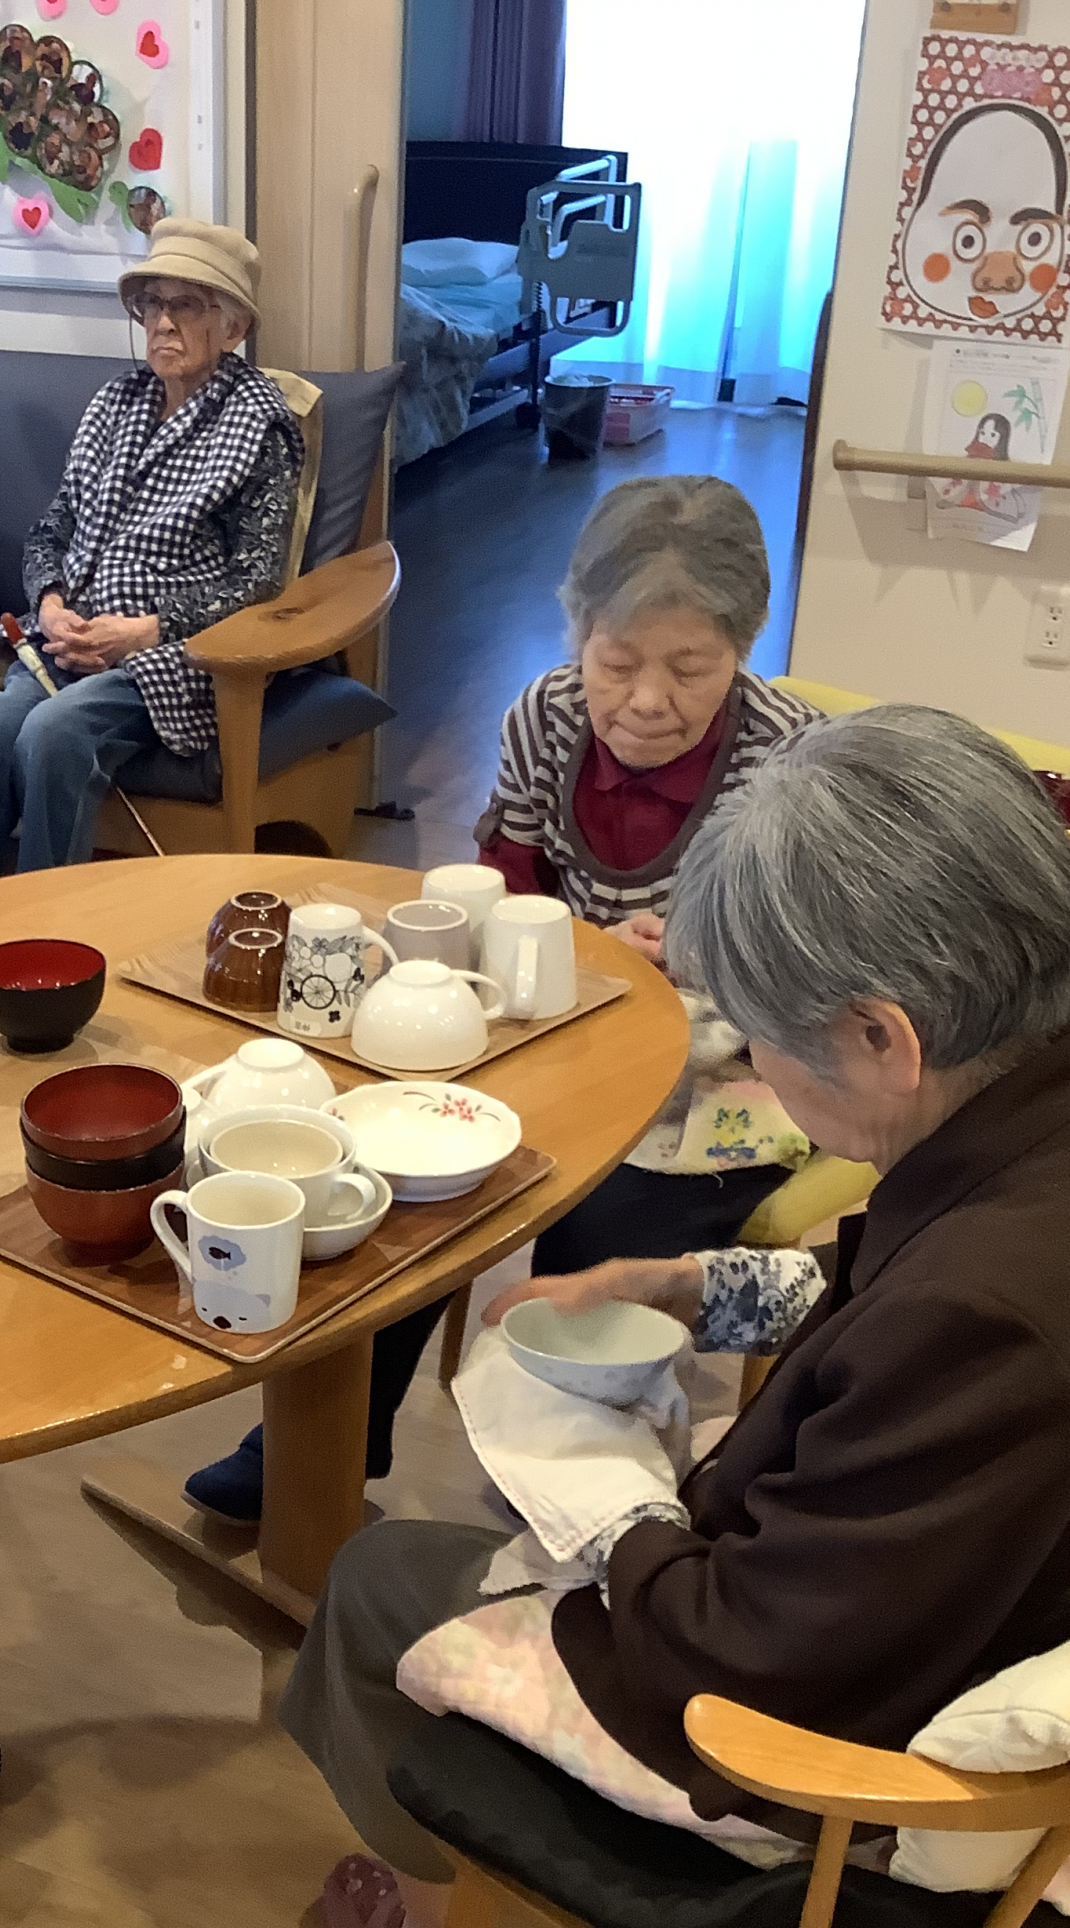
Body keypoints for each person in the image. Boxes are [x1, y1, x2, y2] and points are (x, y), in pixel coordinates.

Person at [278, 704, 1070, 1928]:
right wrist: (684, 1286)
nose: (761, 1072)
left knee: (377, 1583)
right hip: (961, 1607)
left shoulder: (986, 1329)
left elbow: (742, 1663)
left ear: (883, 1039)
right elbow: (889, 1288)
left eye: (760, 1037)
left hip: (842, 1806)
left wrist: (612, 1503)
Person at [185, 473, 817, 1526]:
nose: (645, 699)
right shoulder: (547, 714)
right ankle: (323, 1445)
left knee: (595, 1226)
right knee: (415, 1174)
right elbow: (506, 884)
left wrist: (703, 949)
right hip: (563, 1023)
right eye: (617, 662)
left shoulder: (787, 755)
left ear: (744, 647)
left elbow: (816, 965)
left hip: (727, 1066)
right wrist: (548, 947)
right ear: (578, 631)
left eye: (690, 668)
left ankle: (578, 1495)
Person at [0, 216, 304, 888]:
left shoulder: (260, 423)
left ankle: (50, 934)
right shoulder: (116, 402)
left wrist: (144, 631)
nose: (162, 323)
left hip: (173, 654)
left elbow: (258, 580)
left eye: (185, 305)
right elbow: (54, 528)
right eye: (152, 304)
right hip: (68, 638)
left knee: (54, 735)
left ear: (233, 328)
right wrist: (50, 603)